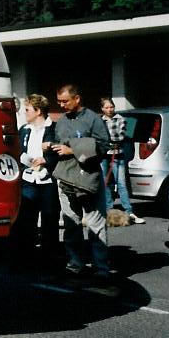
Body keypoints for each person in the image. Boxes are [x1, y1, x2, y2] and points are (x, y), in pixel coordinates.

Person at [46, 83, 112, 284]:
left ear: (77, 99)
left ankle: (102, 269)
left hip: (88, 178)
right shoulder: (62, 121)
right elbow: (59, 143)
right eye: (59, 101)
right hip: (66, 178)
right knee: (71, 223)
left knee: (95, 224)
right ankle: (75, 263)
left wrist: (72, 150)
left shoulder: (93, 119)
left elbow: (103, 146)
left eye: (65, 101)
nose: (62, 105)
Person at [10, 94, 61, 270]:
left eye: (27, 110)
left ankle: (49, 260)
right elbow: (18, 150)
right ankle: (25, 259)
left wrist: (46, 159)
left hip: (47, 181)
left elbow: (59, 152)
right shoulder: (24, 129)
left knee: (49, 219)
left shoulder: (54, 129)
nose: (24, 113)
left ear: (38, 111)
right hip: (28, 179)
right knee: (26, 219)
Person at [100, 97, 144, 224]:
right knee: (105, 183)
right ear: (102, 109)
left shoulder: (121, 119)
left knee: (121, 184)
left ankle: (129, 211)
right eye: (106, 107)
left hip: (117, 156)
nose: (109, 110)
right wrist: (107, 142)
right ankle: (108, 210)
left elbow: (121, 136)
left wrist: (109, 141)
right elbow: (98, 137)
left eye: (111, 107)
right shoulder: (100, 121)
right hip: (104, 156)